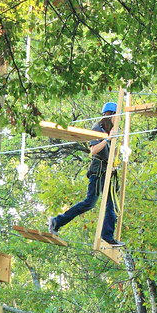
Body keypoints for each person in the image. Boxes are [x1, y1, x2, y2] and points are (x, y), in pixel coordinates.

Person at [48, 102, 124, 246]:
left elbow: (110, 153)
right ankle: (57, 221)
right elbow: (93, 150)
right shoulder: (98, 129)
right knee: (90, 202)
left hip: (107, 170)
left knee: (111, 204)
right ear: (111, 115)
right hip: (98, 171)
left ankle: (107, 236)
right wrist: (108, 138)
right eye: (117, 117)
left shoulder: (110, 131)